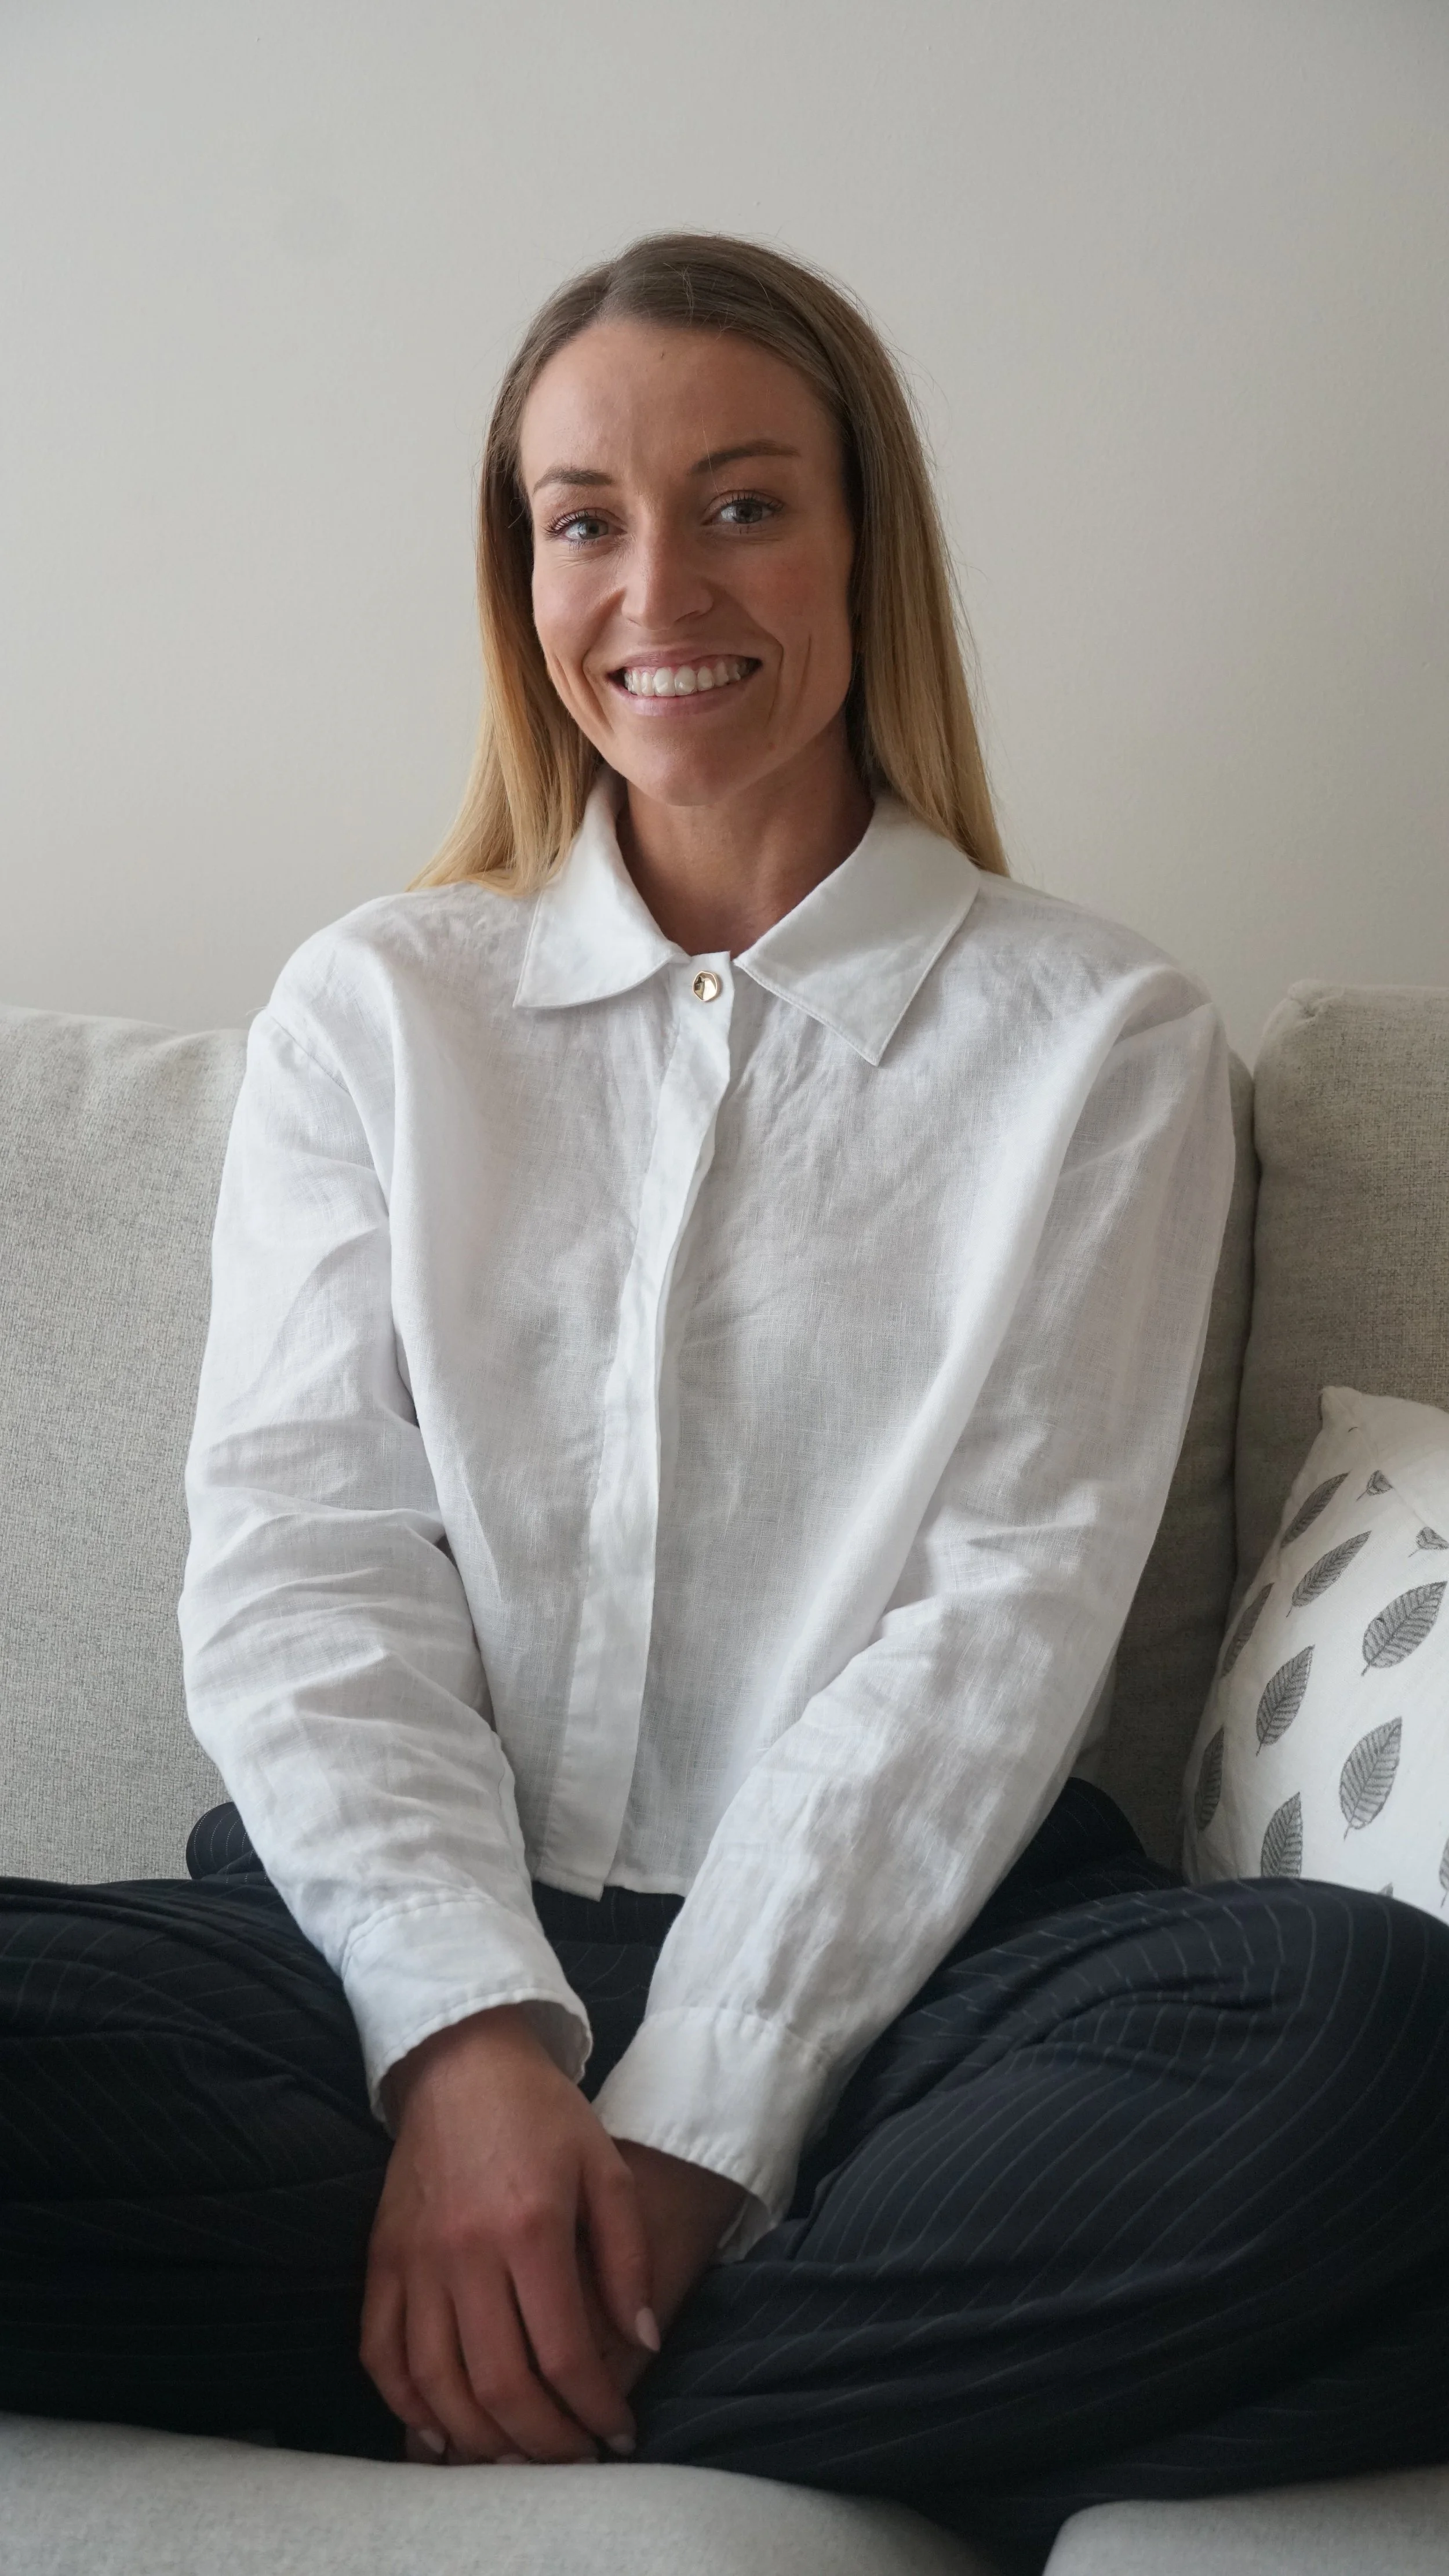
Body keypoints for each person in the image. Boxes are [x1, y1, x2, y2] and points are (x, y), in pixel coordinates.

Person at [4, 232, 1449, 2565]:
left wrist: (693, 2131)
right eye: (584, 516)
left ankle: (484, 2348)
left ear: (869, 542)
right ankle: (683, 2354)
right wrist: (471, 2054)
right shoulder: (377, 1007)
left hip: (929, 1999)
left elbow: (1000, 1620)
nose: (656, 581)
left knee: (1376, 2038)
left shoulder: (1096, 1042)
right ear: (522, 572)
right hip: (363, 1966)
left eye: (745, 502)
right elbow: (302, 1560)